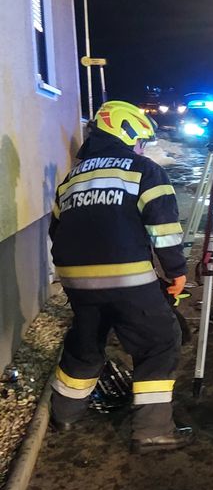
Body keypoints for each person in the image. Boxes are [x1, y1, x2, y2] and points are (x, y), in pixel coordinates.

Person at [49, 100, 192, 454]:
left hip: (76, 282)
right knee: (158, 342)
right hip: (128, 281)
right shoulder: (143, 170)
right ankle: (152, 431)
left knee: (85, 345)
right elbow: (165, 231)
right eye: (141, 140)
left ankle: (65, 413)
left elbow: (56, 230)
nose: (142, 148)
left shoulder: (71, 178)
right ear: (127, 134)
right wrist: (175, 273)